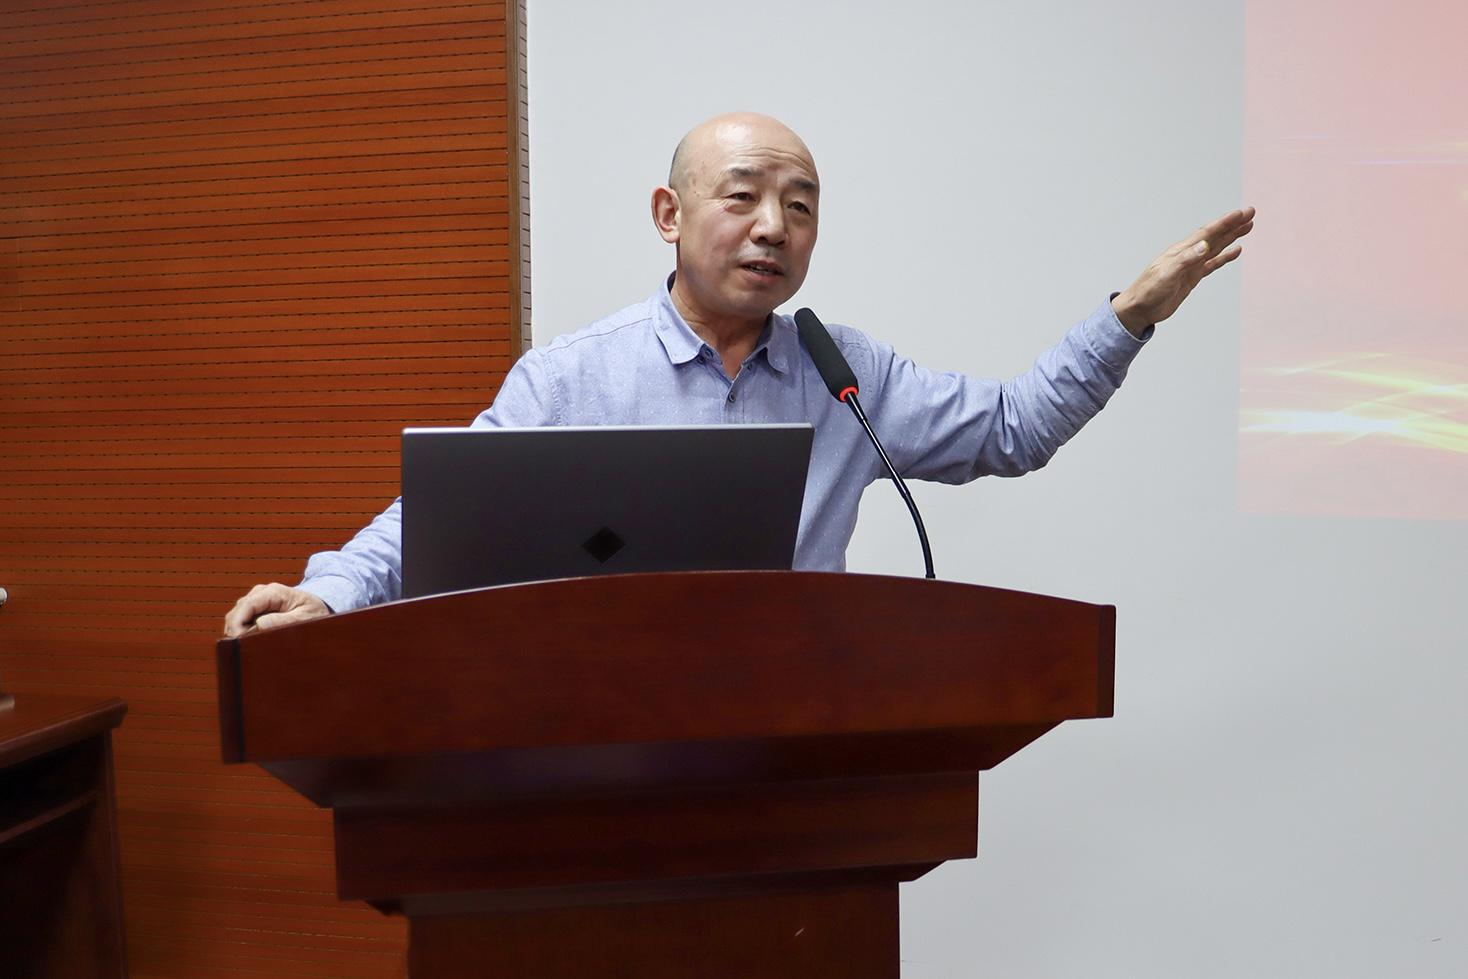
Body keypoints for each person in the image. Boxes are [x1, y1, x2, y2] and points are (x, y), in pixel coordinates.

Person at [223, 112, 1254, 638]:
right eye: (744, 196)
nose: (774, 227)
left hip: (791, 738)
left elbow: (1012, 429)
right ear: (669, 215)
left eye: (800, 206)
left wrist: (1130, 314)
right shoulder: (573, 377)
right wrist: (328, 594)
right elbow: (443, 516)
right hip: (598, 744)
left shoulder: (843, 372)